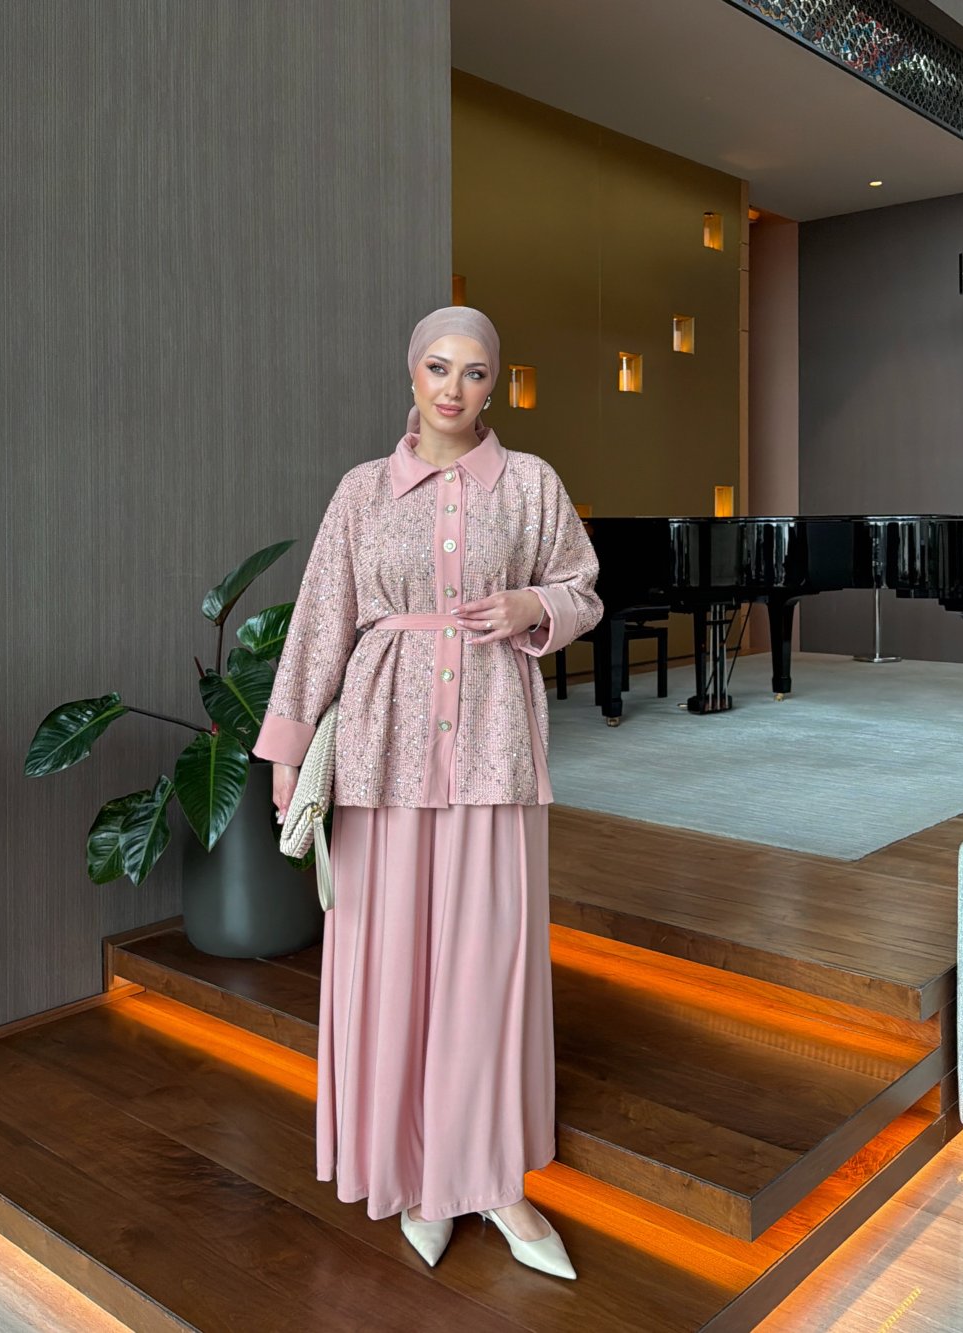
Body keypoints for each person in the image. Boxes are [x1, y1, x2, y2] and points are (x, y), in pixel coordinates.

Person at [252, 306, 603, 1279]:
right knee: (391, 963)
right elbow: (320, 618)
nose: (455, 387)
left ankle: (490, 1178)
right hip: (382, 750)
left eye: (475, 371)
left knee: (486, 967)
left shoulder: (530, 484)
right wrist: (286, 751)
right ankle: (413, 1174)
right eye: (439, 367)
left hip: (495, 748)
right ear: (412, 375)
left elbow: (582, 586)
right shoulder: (363, 491)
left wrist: (535, 604)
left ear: (494, 385)